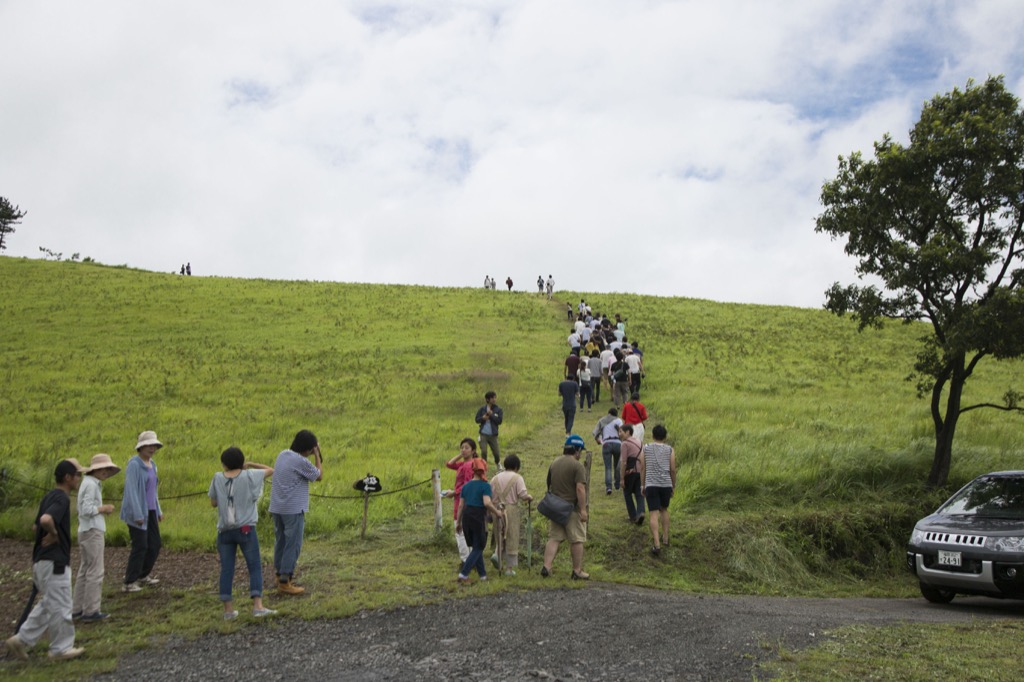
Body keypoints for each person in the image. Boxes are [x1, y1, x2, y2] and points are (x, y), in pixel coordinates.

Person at [5, 459, 86, 661]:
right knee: (62, 605)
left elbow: (35, 527)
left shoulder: (48, 497)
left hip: (40, 561)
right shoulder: (61, 499)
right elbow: (45, 520)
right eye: (77, 475)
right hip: (55, 562)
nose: (79, 479)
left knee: (49, 603)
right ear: (68, 478)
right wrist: (55, 534)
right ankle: (61, 649)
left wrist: (46, 533)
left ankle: (21, 640)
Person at [209, 446, 277, 619]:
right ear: (241, 461)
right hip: (246, 528)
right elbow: (271, 470)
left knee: (226, 569)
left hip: (224, 530)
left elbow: (214, 503)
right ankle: (258, 606)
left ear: (223, 463)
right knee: (254, 566)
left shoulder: (217, 477)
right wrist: (251, 464)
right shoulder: (249, 475)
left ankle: (228, 611)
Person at [269, 429, 324, 595]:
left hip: (277, 506)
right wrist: (317, 455)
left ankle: (279, 574)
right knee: (293, 543)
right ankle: (286, 579)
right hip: (293, 508)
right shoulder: (301, 461)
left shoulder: (283, 454)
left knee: (281, 540)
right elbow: (318, 476)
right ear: (308, 449)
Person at [72, 454, 120, 622]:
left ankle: (77, 608)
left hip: (84, 530)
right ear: (95, 470)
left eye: (107, 469)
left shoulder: (88, 483)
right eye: (103, 469)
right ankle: (91, 610)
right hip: (92, 530)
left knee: (85, 569)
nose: (106, 472)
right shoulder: (91, 485)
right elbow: (86, 509)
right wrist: (103, 508)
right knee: (95, 570)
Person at [121, 430, 165, 593]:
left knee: (154, 544)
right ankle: (129, 581)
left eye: (153, 445)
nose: (151, 448)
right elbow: (131, 490)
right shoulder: (134, 464)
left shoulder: (152, 465)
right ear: (140, 447)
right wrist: (137, 514)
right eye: (148, 445)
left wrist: (158, 510)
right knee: (140, 545)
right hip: (138, 511)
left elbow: (153, 491)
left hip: (151, 510)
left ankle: (142, 574)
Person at [540, 435, 589, 580]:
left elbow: (548, 483)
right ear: (577, 450)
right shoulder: (577, 465)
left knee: (554, 538)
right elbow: (580, 488)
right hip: (571, 508)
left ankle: (547, 567)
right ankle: (577, 571)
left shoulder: (555, 462)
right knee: (577, 539)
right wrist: (583, 510)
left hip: (555, 507)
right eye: (581, 451)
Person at [455, 459, 504, 583]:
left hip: (466, 516)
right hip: (478, 517)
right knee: (479, 547)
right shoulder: (485, 486)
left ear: (473, 469)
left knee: (476, 546)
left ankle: (483, 575)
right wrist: (497, 512)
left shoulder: (466, 487)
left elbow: (461, 506)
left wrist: (458, 522)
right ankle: (464, 574)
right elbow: (487, 502)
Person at [489, 454, 533, 575]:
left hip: (497, 509)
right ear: (516, 466)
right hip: (511, 509)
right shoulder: (517, 477)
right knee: (511, 537)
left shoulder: (495, 478)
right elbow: (523, 495)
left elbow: (491, 495)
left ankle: (497, 556)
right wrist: (529, 497)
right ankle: (509, 569)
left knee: (499, 534)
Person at [640, 425, 677, 556]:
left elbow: (643, 468)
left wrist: (642, 485)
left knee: (653, 513)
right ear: (665, 437)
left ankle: (656, 543)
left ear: (652, 435)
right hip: (666, 483)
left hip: (651, 483)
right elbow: (672, 469)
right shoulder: (670, 450)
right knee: (664, 509)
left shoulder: (646, 448)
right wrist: (673, 485)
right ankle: (666, 537)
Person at [444, 438, 479, 562]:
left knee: (460, 532)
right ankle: (470, 559)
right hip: (466, 500)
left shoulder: (469, 465)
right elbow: (449, 464)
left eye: (466, 448)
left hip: (462, 501)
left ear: (473, 450)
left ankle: (466, 560)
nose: (463, 450)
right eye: (462, 447)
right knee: (466, 532)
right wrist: (462, 454)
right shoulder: (466, 463)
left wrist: (454, 492)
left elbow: (468, 485)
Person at [618, 424, 645, 525]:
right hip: (640, 471)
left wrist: (621, 478)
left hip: (630, 472)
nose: (619, 434)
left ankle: (633, 516)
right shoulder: (639, 441)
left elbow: (624, 462)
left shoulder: (624, 444)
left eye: (621, 432)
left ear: (628, 432)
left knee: (627, 493)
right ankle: (641, 512)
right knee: (639, 493)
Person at [592, 408, 623, 494]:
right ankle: (617, 484)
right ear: (616, 414)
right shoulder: (618, 420)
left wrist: (599, 441)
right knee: (617, 465)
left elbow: (595, 433)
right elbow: (622, 432)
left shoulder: (602, 420)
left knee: (608, 467)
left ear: (608, 413)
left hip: (606, 443)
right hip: (617, 443)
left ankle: (609, 487)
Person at [475, 391, 503, 467]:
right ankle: (484, 466)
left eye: (495, 397)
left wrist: (492, 415)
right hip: (483, 434)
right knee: (484, 451)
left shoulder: (498, 410)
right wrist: (483, 418)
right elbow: (477, 420)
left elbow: (499, 421)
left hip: (493, 435)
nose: (494, 399)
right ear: (487, 399)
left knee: (496, 453)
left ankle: (497, 463)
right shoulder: (482, 409)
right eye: (492, 398)